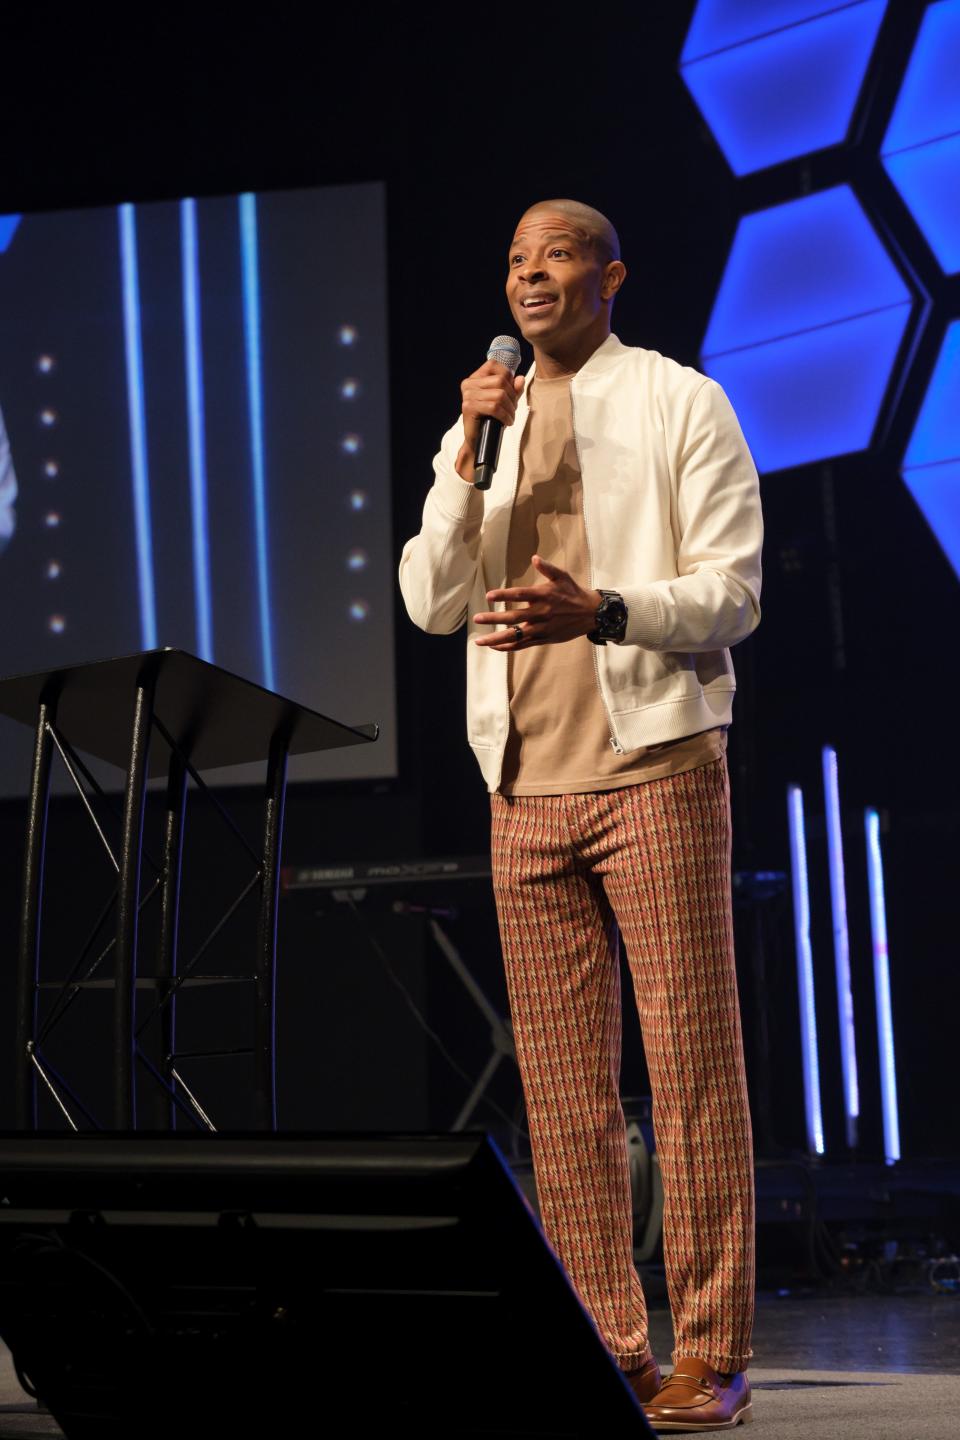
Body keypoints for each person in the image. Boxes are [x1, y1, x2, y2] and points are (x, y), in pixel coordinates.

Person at [399, 199, 762, 1432]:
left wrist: (600, 611)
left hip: (654, 768)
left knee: (691, 1069)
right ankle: (607, 1343)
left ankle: (709, 1354)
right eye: (512, 258)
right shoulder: (482, 422)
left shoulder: (678, 401)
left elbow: (732, 592)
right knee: (561, 1093)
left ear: (610, 277)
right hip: (524, 788)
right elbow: (429, 601)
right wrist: (463, 464)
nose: (528, 275)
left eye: (553, 254)